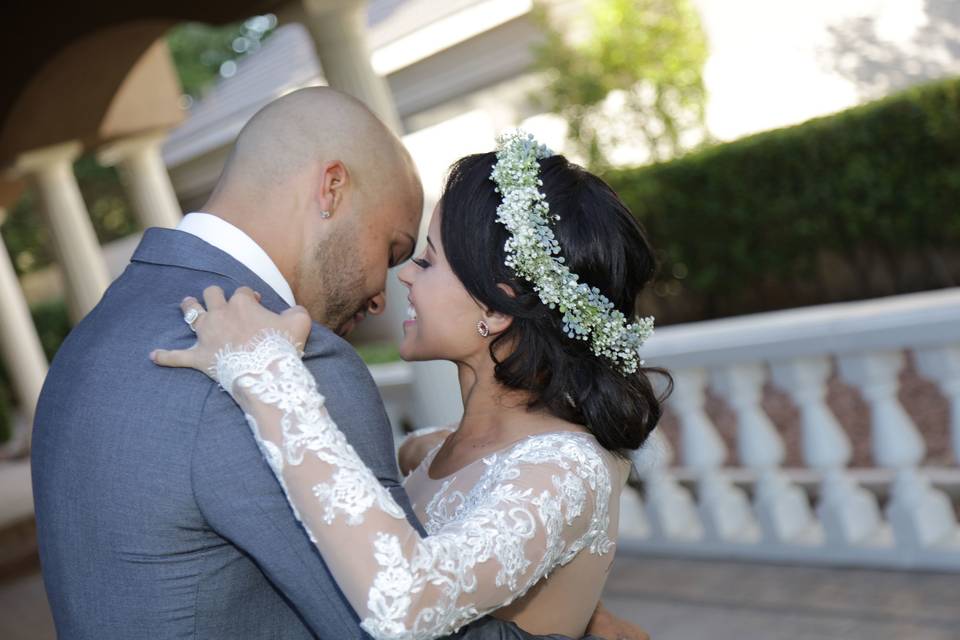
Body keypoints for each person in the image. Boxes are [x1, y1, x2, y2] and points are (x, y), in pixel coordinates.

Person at [31, 87, 644, 640]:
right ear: (330, 188)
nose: (391, 286)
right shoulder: (313, 368)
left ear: (501, 303)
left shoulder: (94, 340)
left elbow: (408, 595)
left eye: (423, 261)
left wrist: (265, 375)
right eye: (399, 250)